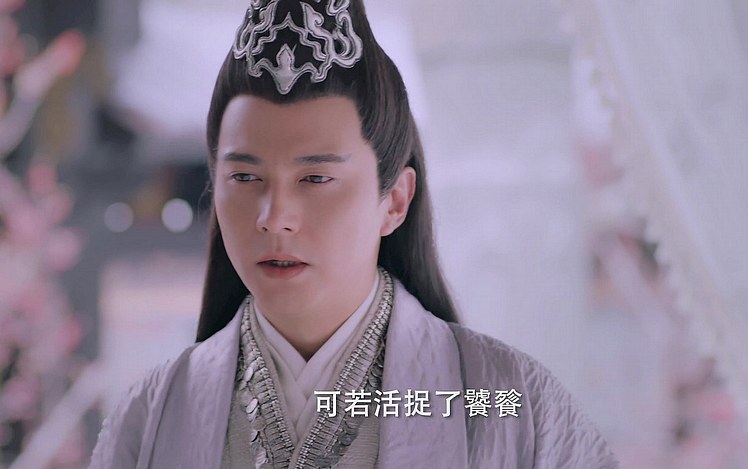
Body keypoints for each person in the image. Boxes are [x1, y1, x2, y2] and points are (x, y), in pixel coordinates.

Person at [90, 0, 618, 467]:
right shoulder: (152, 416)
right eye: (245, 178)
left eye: (315, 178)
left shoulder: (513, 405)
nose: (275, 217)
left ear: (395, 201)